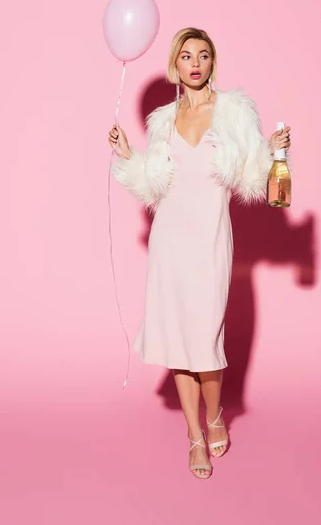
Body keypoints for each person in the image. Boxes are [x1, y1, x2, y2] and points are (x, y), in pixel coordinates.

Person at [108, 27, 291, 479]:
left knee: (206, 337)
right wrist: (129, 154)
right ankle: (195, 436)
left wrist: (273, 151)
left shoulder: (232, 113)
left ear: (212, 62)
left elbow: (253, 173)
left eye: (203, 55)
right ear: (176, 63)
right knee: (176, 339)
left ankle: (214, 414)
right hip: (169, 241)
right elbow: (153, 184)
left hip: (210, 239)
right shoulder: (164, 120)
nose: (194, 63)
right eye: (186, 55)